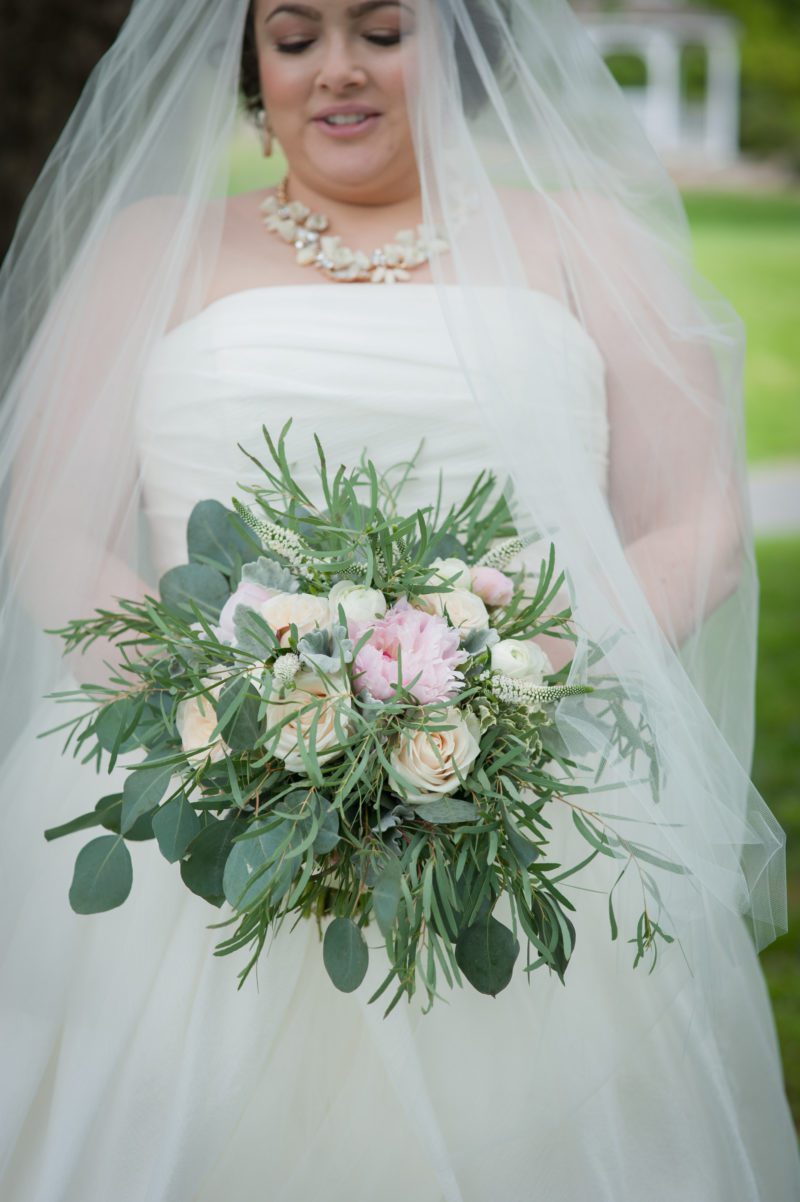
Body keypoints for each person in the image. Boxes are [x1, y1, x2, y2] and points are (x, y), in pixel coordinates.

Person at [0, 0, 798, 1197]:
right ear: (250, 63)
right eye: (294, 35)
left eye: (381, 31)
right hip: (197, 806)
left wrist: (507, 681)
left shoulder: (587, 237)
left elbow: (699, 528)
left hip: (527, 807)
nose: (336, 70)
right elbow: (47, 528)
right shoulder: (149, 246)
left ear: (460, 51)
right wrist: (212, 706)